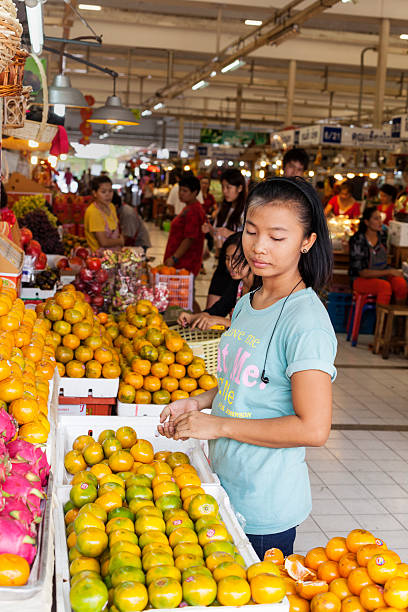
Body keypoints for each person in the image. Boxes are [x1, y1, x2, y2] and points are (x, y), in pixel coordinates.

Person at [159, 176, 337, 559]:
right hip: (225, 484)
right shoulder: (247, 302)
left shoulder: (305, 321)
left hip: (264, 507)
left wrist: (218, 424)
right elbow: (243, 382)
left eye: (277, 237)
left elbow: (314, 428)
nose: (258, 247)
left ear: (306, 242)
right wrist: (199, 403)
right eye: (251, 231)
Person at [178, 232, 254, 330]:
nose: (230, 265)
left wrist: (219, 320)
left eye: (236, 259)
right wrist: (192, 317)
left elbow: (254, 328)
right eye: (227, 258)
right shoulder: (238, 284)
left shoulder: (263, 290)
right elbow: (218, 309)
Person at [204, 169, 247, 307]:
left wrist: (230, 235)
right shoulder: (223, 208)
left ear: (240, 188)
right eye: (223, 187)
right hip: (222, 263)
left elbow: (250, 238)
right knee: (211, 307)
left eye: (229, 187)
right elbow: (218, 235)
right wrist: (210, 230)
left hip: (237, 266)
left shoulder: (246, 211)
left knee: (232, 311)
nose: (225, 191)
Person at [349, 206, 407, 305]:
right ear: (367, 222)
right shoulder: (358, 240)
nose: (380, 222)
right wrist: (389, 271)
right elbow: (362, 272)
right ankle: (381, 320)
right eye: (376, 219)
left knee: (401, 284)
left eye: (380, 218)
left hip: (382, 275)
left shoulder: (383, 236)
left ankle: (396, 318)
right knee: (384, 287)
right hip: (360, 279)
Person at [163, 174, 206, 276]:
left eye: (185, 191)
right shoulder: (188, 207)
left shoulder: (194, 211)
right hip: (180, 262)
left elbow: (190, 238)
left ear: (194, 193)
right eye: (180, 190)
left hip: (185, 263)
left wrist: (174, 258)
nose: (181, 194)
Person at [84, 175, 124, 252]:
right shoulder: (93, 212)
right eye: (103, 192)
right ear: (95, 193)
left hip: (114, 254)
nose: (108, 195)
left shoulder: (111, 206)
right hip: (100, 258)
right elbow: (103, 242)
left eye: (110, 191)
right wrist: (121, 241)